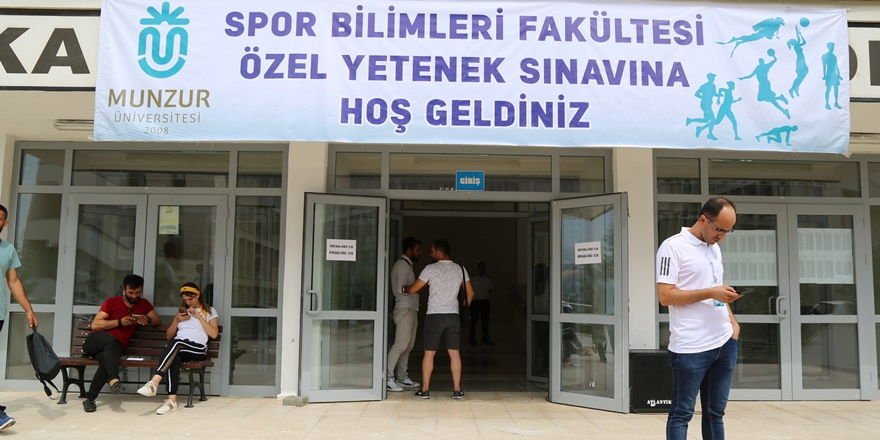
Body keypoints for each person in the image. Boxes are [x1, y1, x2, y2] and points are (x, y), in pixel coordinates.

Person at [656, 197, 742, 440]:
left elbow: (717, 288)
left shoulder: (714, 248)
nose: (722, 237)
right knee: (682, 414)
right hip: (691, 347)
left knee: (715, 414)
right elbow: (665, 296)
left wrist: (733, 323)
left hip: (724, 342)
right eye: (719, 230)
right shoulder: (672, 247)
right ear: (703, 219)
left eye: (728, 231)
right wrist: (710, 292)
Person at [404, 239, 474, 400]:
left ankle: (425, 390)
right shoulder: (460, 269)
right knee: (454, 353)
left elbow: (414, 289)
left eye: (432, 250)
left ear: (439, 252)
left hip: (434, 316)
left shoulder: (430, 269)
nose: (430, 253)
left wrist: (404, 288)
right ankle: (457, 390)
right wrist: (462, 306)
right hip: (453, 315)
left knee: (429, 353)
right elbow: (470, 293)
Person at [82, 273, 162, 412]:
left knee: (106, 361)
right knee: (111, 342)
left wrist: (147, 319)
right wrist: (119, 322)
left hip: (114, 349)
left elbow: (157, 320)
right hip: (95, 342)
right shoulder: (111, 302)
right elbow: (95, 324)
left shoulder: (144, 304)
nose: (134, 296)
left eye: (138, 292)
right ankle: (113, 378)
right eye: (130, 292)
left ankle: (90, 399)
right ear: (124, 289)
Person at [137, 282, 219, 415]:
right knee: (173, 356)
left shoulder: (209, 311)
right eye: (185, 300)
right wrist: (176, 321)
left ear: (198, 296)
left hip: (197, 349)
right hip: (180, 347)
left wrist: (199, 317)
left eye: (190, 299)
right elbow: (169, 336)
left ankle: (154, 382)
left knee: (176, 344)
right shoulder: (181, 312)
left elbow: (214, 334)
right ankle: (171, 401)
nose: (188, 302)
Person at [0, 204, 38, 430]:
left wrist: (28, 309)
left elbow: (13, 282)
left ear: (5, 223)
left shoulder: (8, 249)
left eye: (0, 218)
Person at [386, 237, 422, 392]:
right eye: (417, 250)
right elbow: (400, 289)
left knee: (408, 345)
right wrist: (418, 285)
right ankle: (388, 378)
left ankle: (401, 377)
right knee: (400, 344)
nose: (419, 253)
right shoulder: (402, 266)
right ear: (409, 250)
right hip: (404, 308)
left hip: (411, 308)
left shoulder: (407, 265)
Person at [739, 49, 790, 119]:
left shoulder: (763, 66)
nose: (760, 62)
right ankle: (781, 102)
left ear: (762, 62)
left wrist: (773, 56)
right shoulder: (762, 67)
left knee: (766, 99)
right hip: (763, 84)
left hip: (764, 84)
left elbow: (774, 60)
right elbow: (751, 75)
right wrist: (743, 78)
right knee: (767, 99)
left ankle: (782, 105)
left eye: (761, 61)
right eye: (760, 61)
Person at [717, 17, 785, 57]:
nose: (780, 24)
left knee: (749, 38)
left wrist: (771, 36)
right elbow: (764, 29)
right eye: (780, 22)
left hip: (761, 36)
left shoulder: (776, 26)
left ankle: (737, 40)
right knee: (749, 38)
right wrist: (769, 35)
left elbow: (770, 33)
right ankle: (736, 39)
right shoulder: (772, 23)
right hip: (760, 34)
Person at [469, 261, 494, 346]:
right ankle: (472, 339)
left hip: (485, 302)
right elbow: (469, 290)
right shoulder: (473, 279)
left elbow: (490, 289)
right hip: (475, 302)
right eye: (481, 268)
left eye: (484, 268)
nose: (482, 269)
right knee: (473, 321)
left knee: (485, 322)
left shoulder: (487, 279)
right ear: (478, 268)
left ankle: (485, 339)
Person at [822, 42, 842, 110]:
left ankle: (836, 102)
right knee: (828, 89)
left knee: (836, 90)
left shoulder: (834, 56)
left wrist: (839, 75)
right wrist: (824, 75)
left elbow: (836, 66)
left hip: (834, 75)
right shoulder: (824, 56)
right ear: (828, 47)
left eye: (833, 46)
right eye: (831, 46)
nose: (833, 48)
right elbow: (824, 66)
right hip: (829, 74)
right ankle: (827, 103)